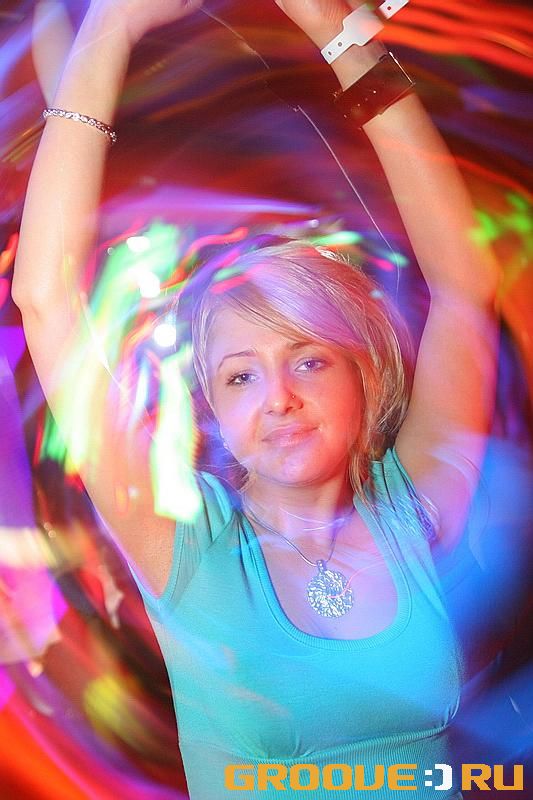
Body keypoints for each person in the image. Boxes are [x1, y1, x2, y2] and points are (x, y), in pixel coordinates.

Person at [13, 0, 500, 797]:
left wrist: (332, 28)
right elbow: (46, 298)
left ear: (363, 373)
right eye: (240, 375)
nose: (277, 398)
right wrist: (110, 27)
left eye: (307, 360)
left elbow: (462, 289)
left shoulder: (409, 507)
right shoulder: (184, 541)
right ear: (212, 406)